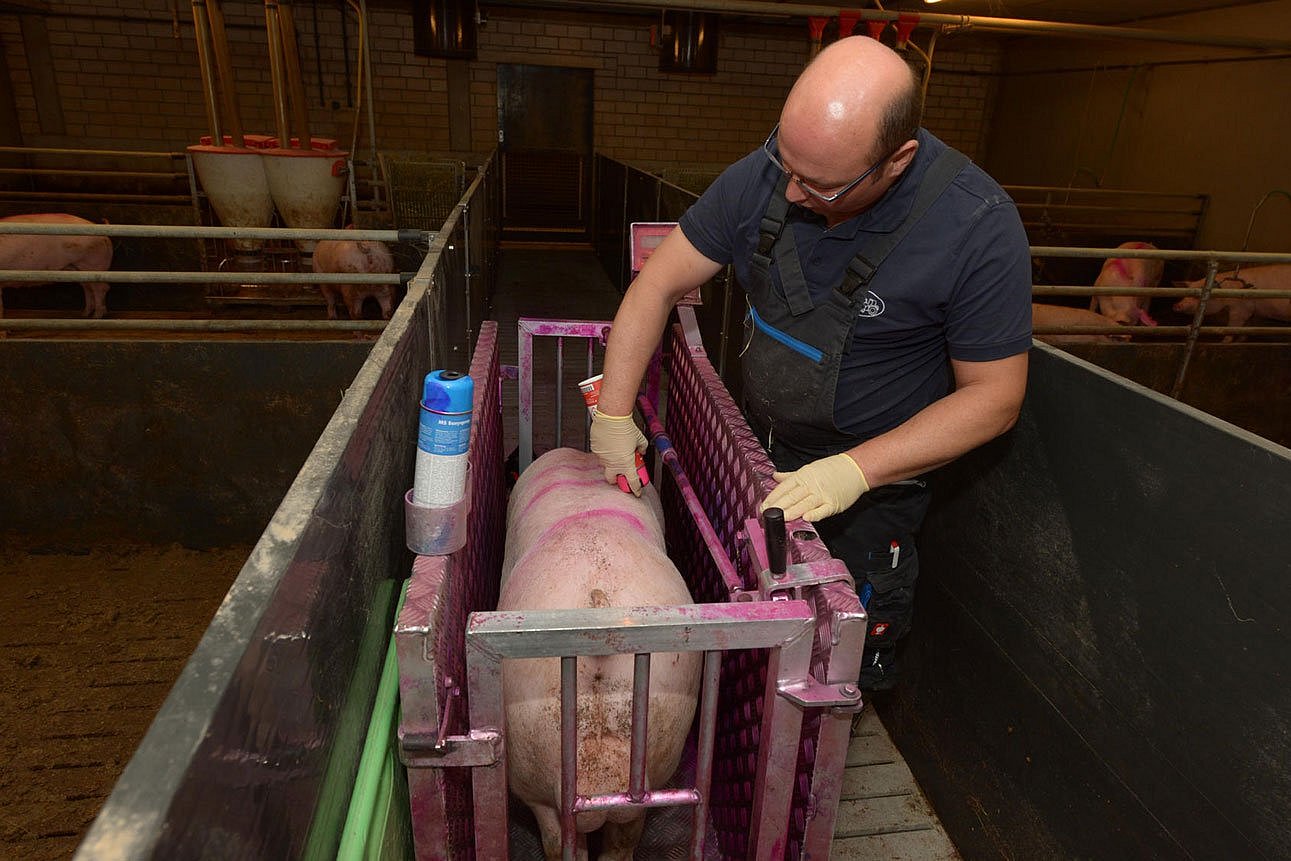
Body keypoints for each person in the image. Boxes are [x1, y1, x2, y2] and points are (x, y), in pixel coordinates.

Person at [589, 35, 1032, 693]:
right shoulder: (764, 175)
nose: (791, 192)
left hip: (869, 488)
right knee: (746, 625)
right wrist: (615, 411)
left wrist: (857, 470)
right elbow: (658, 282)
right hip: (753, 450)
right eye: (784, 162)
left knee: (832, 664)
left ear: (895, 160)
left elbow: (994, 397)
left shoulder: (977, 226)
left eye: (819, 183)